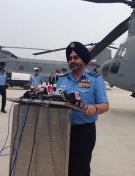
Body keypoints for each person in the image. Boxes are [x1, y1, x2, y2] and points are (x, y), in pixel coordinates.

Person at [56, 41, 109, 176]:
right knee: (61, 166)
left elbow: (105, 105)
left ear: (84, 60)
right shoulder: (62, 80)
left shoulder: (95, 80)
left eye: (76, 57)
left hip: (84, 132)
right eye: (70, 58)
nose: (72, 61)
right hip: (63, 130)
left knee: (80, 169)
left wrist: (95, 108)